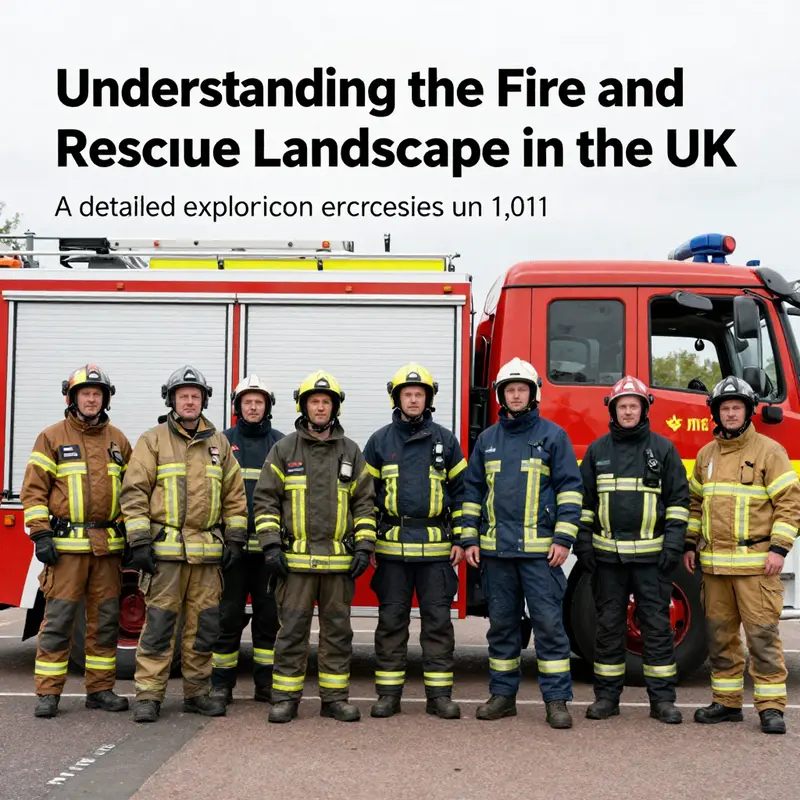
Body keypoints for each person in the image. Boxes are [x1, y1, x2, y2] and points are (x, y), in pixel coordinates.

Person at [120, 365, 248, 723]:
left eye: (195, 396)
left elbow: (235, 496)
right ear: (172, 400)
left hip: (206, 557)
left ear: (203, 401)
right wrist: (140, 541)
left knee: (203, 628)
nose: (190, 402)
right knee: (159, 626)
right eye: (183, 396)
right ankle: (148, 695)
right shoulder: (153, 440)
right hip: (166, 555)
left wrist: (235, 538)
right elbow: (134, 493)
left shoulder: (218, 443)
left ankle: (197, 693)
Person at [461, 357, 583, 729]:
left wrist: (563, 539)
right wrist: (470, 537)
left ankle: (557, 701)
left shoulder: (552, 436)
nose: (515, 395)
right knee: (502, 627)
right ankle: (502, 696)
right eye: (509, 390)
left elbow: (570, 490)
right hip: (497, 553)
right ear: (501, 395)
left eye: (521, 389)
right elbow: (472, 492)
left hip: (539, 555)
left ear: (532, 395)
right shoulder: (487, 440)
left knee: (548, 626)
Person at [252, 370, 376, 723]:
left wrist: (364, 546)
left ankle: (334, 699)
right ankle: (285, 699)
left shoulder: (350, 451)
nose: (320, 407)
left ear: (334, 408)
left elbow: (365, 503)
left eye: (325, 402)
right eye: (314, 402)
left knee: (338, 633)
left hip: (337, 565)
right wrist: (272, 546)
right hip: (295, 565)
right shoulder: (284, 449)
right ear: (304, 407)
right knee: (291, 632)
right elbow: (265, 501)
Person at [685, 376, 800, 735]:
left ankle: (770, 708)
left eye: (736, 407)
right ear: (717, 414)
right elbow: (695, 505)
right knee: (720, 637)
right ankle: (727, 703)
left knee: (762, 636)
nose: (731, 413)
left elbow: (789, 504)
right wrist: (690, 544)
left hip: (756, 566)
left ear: (748, 411)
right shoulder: (706, 455)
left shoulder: (770, 451)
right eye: (725, 408)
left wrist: (780, 549)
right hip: (715, 567)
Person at [574, 376, 689, 724]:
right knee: (608, 628)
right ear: (613, 410)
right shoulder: (597, 451)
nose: (627, 411)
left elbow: (679, 503)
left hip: (651, 561)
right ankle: (607, 698)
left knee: (656, 629)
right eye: (622, 406)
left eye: (633, 406)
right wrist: (584, 546)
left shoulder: (663, 450)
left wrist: (672, 546)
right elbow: (583, 503)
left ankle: (662, 701)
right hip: (607, 559)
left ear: (643, 410)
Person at [22, 365, 132, 719]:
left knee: (105, 621)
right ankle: (48, 693)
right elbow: (34, 490)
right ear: (72, 398)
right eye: (85, 393)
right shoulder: (52, 437)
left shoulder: (118, 440)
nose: (91, 399)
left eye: (97, 394)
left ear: (105, 399)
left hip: (106, 549)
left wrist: (132, 532)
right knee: (58, 620)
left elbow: (132, 493)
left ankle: (100, 689)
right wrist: (40, 533)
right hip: (67, 548)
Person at [364, 363, 467, 720]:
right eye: (407, 394)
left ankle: (439, 696)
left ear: (428, 400)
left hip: (437, 551)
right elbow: (365, 497)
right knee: (391, 623)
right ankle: (388, 695)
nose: (413, 399)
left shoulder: (445, 440)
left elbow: (464, 492)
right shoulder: (379, 441)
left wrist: (462, 536)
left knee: (438, 623)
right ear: (397, 398)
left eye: (418, 394)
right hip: (391, 550)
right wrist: (367, 542)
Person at [211, 375, 284, 704]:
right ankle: (221, 685)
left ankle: (264, 685)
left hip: (269, 553)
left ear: (267, 406)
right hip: (233, 551)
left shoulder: (282, 445)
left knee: (269, 620)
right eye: (247, 402)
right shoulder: (221, 443)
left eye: (259, 402)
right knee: (227, 618)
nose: (253, 407)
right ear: (237, 406)